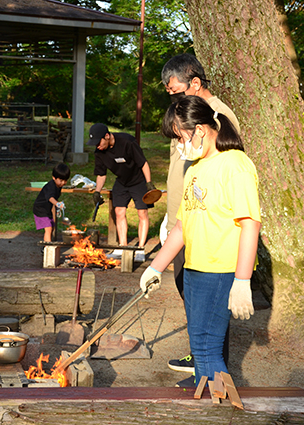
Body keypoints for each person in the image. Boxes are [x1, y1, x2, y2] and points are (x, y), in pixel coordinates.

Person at [139, 96, 260, 387]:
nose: (180, 146)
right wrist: (155, 268)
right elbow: (181, 227)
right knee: (198, 342)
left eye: (181, 138)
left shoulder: (235, 165)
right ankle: (204, 387)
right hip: (195, 268)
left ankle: (218, 403)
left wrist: (242, 281)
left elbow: (250, 224)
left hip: (219, 272)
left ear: (201, 130)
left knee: (208, 346)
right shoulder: (194, 168)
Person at [161, 53, 241, 374]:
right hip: (184, 219)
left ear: (195, 83)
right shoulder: (184, 114)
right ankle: (202, 359)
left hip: (205, 225)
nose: (174, 98)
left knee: (210, 300)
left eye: (177, 91)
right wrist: (170, 218)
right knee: (189, 291)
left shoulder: (217, 117)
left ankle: (213, 369)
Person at [88, 123, 156, 262]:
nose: (97, 146)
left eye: (98, 142)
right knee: (119, 212)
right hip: (122, 182)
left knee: (142, 213)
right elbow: (101, 174)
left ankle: (140, 250)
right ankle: (123, 247)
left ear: (107, 136)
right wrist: (97, 192)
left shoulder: (127, 142)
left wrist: (148, 183)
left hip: (138, 181)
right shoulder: (99, 152)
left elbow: (143, 163)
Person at [33, 163, 70, 243]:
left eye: (65, 180)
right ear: (54, 178)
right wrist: (57, 204)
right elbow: (50, 198)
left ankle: (46, 246)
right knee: (48, 228)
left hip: (47, 210)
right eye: (61, 180)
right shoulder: (50, 186)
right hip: (40, 209)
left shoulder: (59, 186)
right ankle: (48, 247)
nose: (63, 183)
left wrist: (57, 209)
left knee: (52, 227)